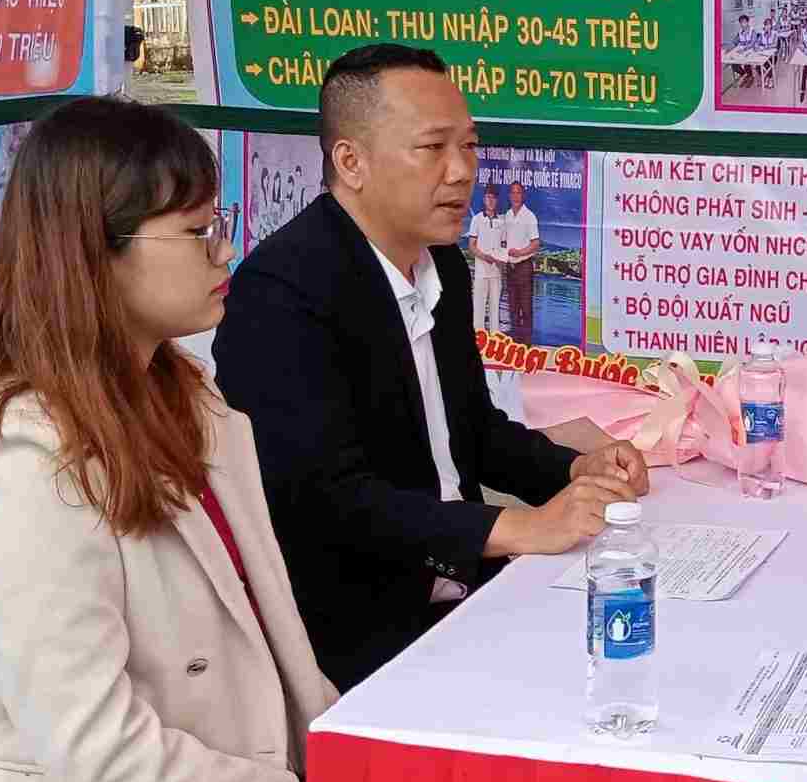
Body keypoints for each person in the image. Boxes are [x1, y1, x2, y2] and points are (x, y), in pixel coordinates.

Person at [0, 97, 336, 782]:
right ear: (95, 250)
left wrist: (340, 769)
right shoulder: (19, 456)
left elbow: (269, 635)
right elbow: (99, 746)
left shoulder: (188, 395)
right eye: (197, 232)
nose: (225, 250)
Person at [213, 44, 648, 691]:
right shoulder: (280, 293)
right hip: (358, 636)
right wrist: (520, 527)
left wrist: (574, 470)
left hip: (469, 595)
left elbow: (471, 430)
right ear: (351, 162)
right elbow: (327, 499)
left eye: (469, 146)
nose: (462, 171)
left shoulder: (438, 259)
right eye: (432, 148)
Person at [504, 180, 541, 344]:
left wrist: (520, 253)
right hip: (510, 267)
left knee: (525, 309)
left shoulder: (529, 216)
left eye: (518, 192)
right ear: (509, 195)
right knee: (512, 308)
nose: (515, 195)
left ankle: (526, 345)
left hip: (524, 267)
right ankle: (515, 344)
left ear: (523, 195)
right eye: (513, 192)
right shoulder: (507, 215)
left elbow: (535, 243)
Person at [466, 185, 506, 335]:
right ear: (484, 199)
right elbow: (471, 246)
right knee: (479, 308)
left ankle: (495, 337)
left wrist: (502, 260)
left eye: (493, 197)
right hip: (481, 272)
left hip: (496, 272)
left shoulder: (502, 221)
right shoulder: (477, 219)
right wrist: (485, 257)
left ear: (497, 200)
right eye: (488, 197)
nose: (490, 200)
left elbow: (504, 245)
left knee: (495, 308)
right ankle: (478, 338)